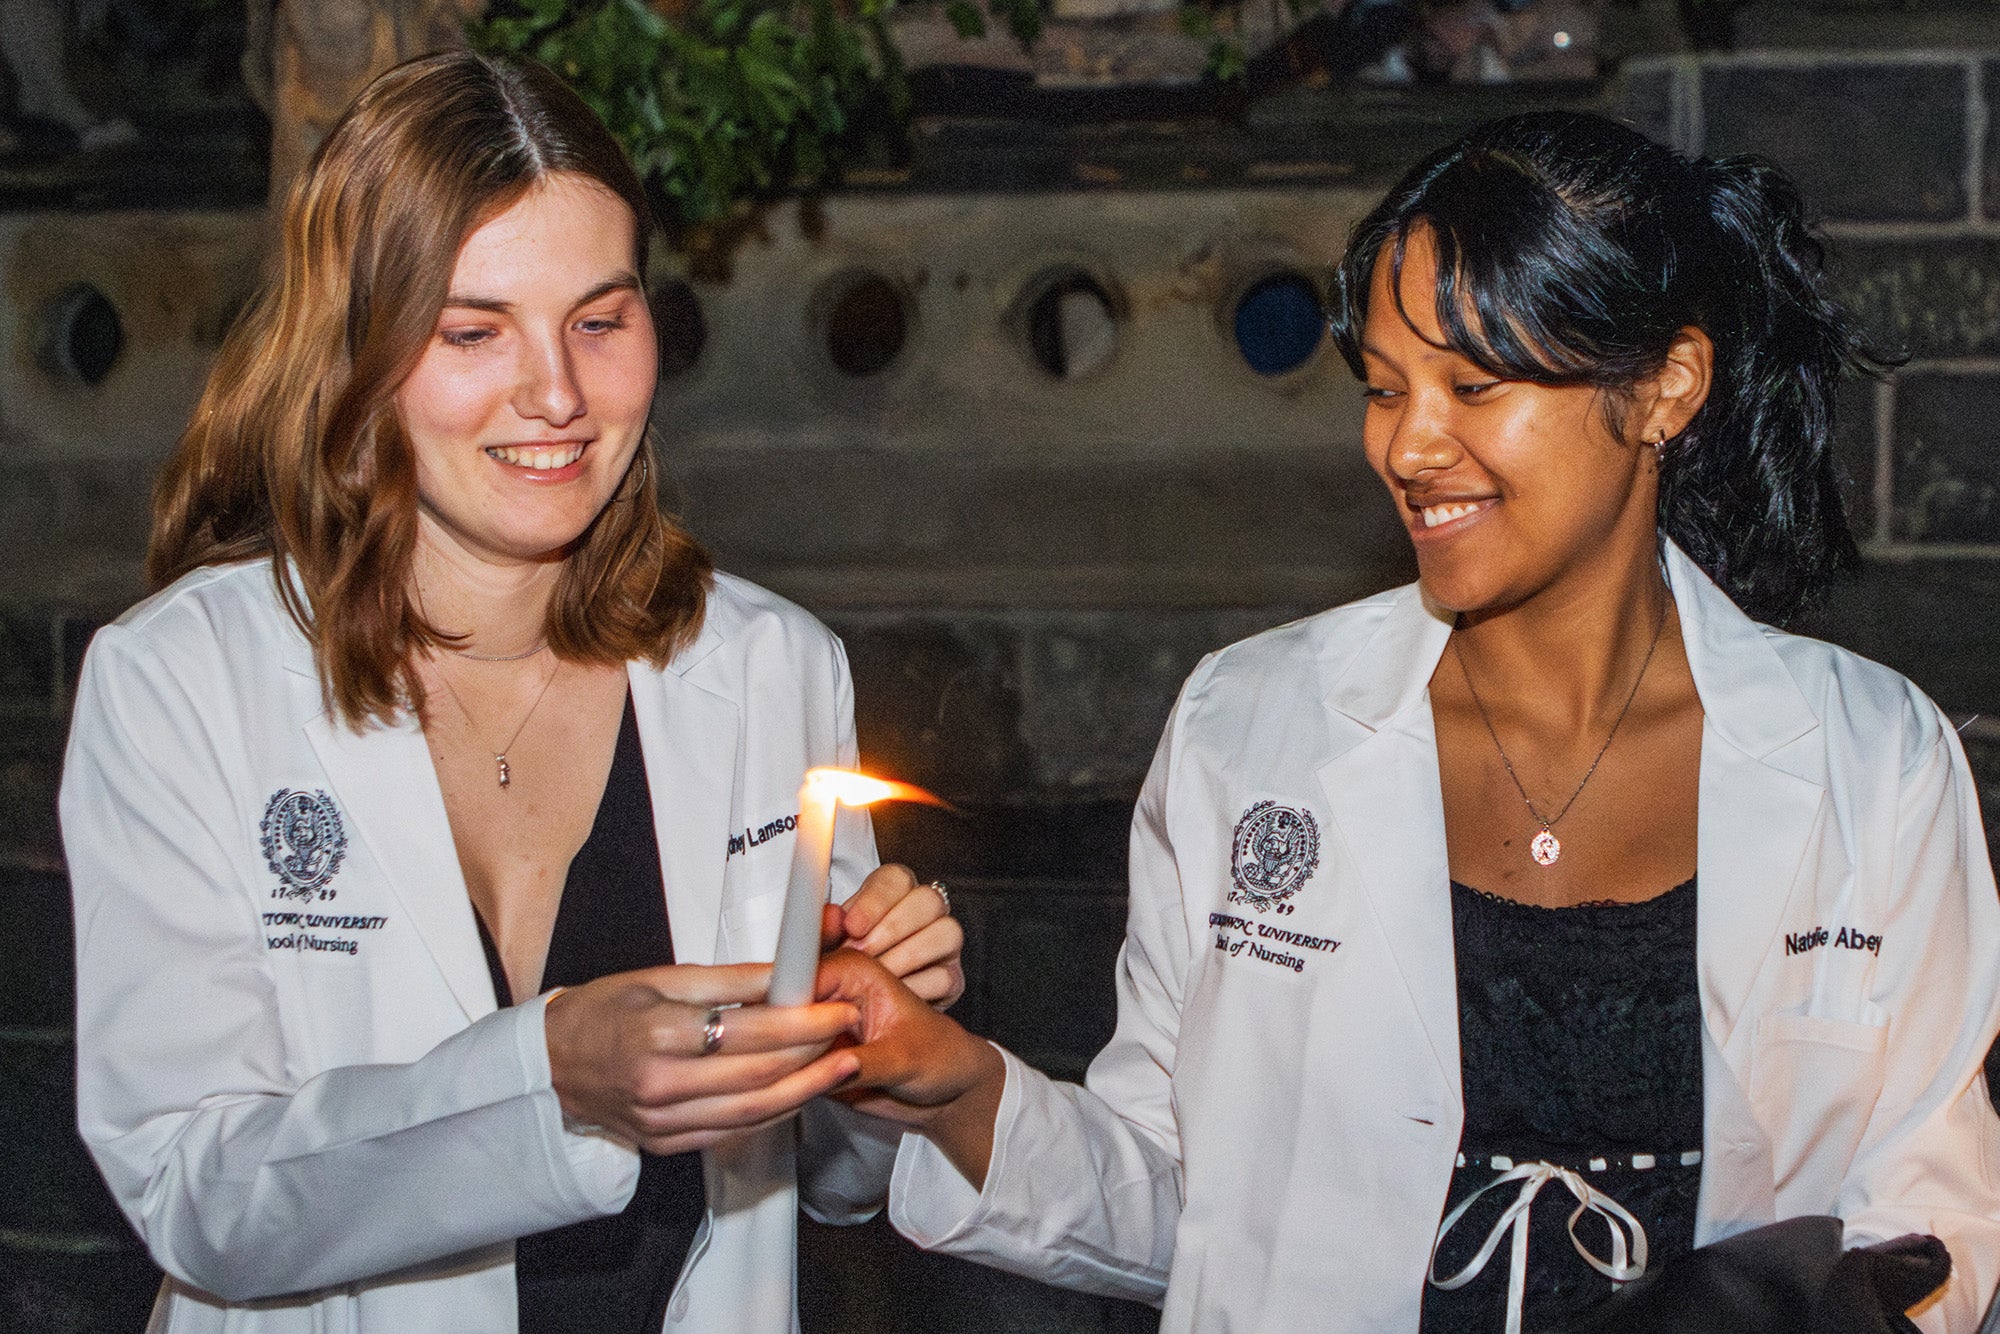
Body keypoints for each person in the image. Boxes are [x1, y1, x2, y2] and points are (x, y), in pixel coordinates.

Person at [816, 110, 2000, 1332]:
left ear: (1663, 388)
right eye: (1383, 388)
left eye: (1471, 386)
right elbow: (1190, 1201)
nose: (1407, 445)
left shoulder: (1870, 758)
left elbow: (1933, 1216)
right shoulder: (1248, 723)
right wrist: (957, 1089)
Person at [59, 50, 960, 1334]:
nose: (557, 395)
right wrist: (549, 1076)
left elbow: (831, 1184)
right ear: (355, 350)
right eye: (472, 331)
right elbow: (196, 1192)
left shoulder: (770, 666)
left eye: (599, 319)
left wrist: (872, 1041)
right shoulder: (180, 682)